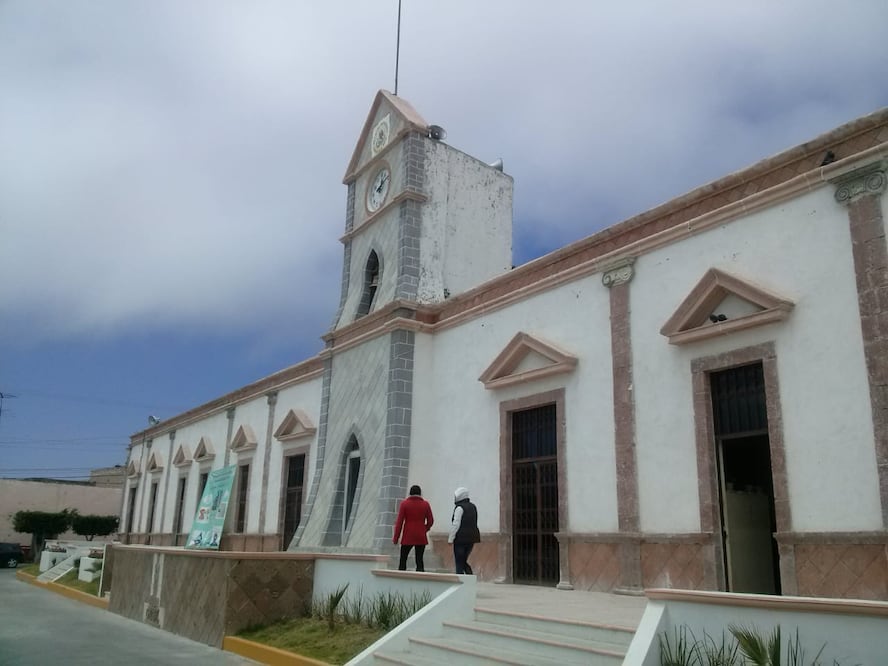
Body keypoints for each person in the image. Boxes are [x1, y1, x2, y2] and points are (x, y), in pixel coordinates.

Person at [392, 484, 434, 571]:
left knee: (403, 559)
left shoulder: (404, 504)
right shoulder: (425, 504)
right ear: (420, 493)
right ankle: (420, 576)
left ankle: (401, 575)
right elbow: (430, 521)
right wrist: (425, 529)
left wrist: (396, 538)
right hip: (421, 535)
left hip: (408, 535)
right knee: (419, 560)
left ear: (410, 493)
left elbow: (399, 522)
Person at [448, 486, 480, 575]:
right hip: (472, 538)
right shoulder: (473, 506)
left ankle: (460, 578)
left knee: (459, 562)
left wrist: (451, 538)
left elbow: (456, 524)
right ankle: (470, 577)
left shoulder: (459, 508)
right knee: (463, 560)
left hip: (460, 539)